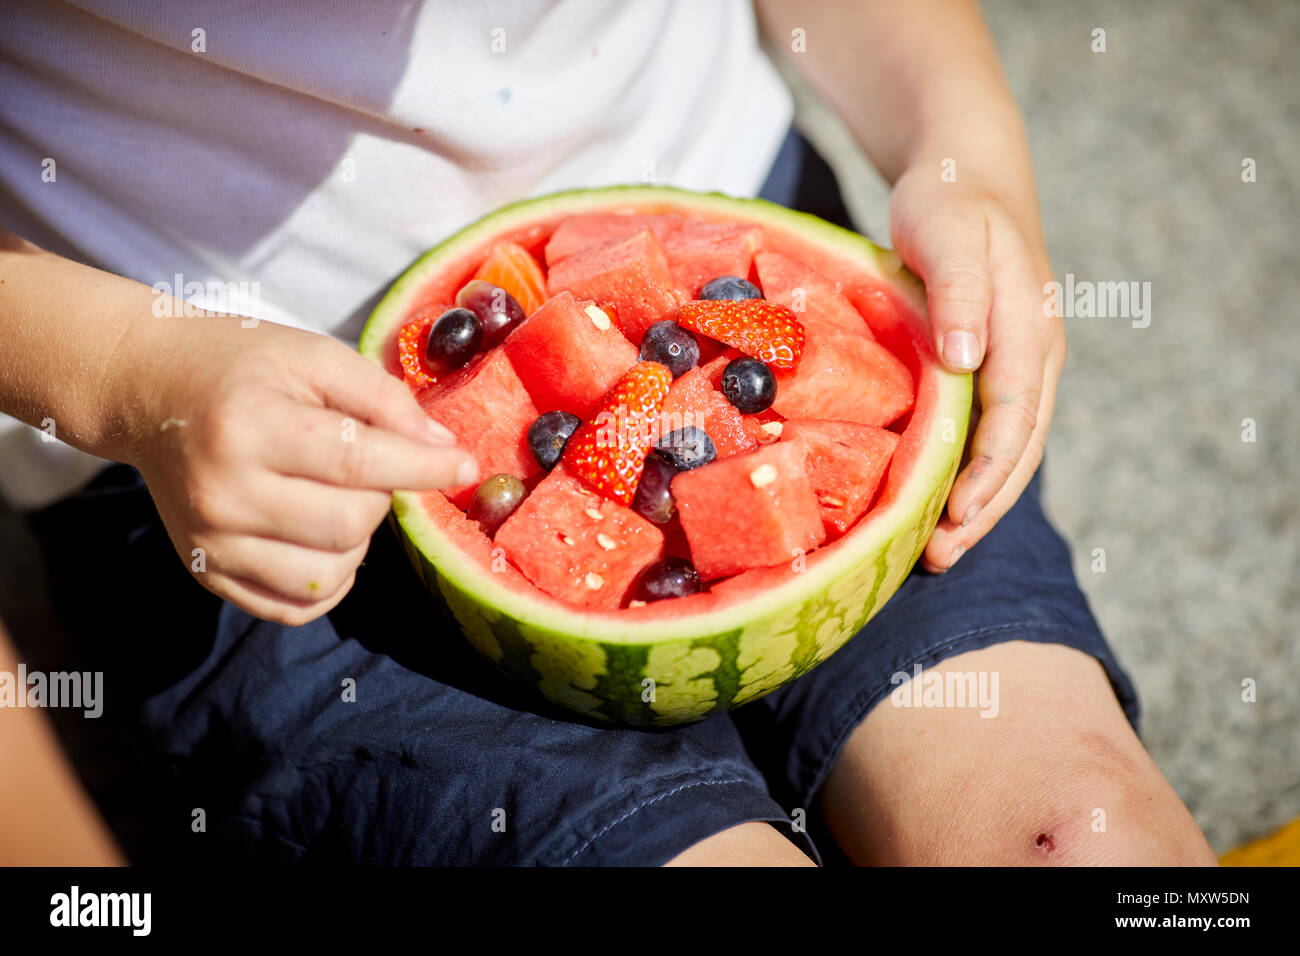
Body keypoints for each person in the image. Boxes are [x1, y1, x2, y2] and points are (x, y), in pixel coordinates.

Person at [0, 0, 1215, 865]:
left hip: (748, 273)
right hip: (239, 463)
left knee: (1077, 826)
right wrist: (128, 372)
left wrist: (970, 158)